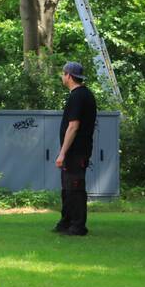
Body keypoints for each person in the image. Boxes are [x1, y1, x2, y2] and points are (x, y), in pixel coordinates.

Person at [54, 61, 98, 236]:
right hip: (76, 151)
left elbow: (73, 126)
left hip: (76, 151)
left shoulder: (78, 96)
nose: (62, 76)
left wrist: (62, 152)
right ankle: (65, 222)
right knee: (67, 188)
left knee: (75, 188)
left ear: (69, 76)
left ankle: (78, 226)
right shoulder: (83, 94)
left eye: (63, 74)